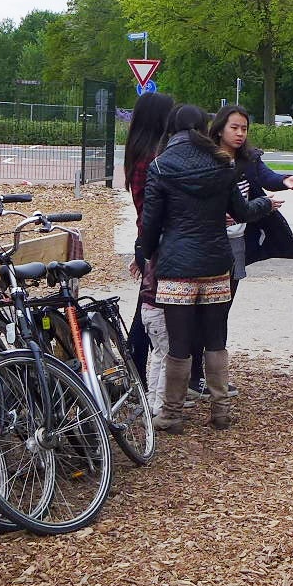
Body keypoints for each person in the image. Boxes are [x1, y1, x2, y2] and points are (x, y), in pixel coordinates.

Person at [135, 103, 271, 433]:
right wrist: (265, 203)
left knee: (179, 344)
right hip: (216, 263)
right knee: (215, 338)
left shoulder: (161, 165)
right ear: (204, 128)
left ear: (171, 129)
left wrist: (146, 253)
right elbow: (241, 212)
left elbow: (150, 223)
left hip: (176, 267)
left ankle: (172, 414)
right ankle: (221, 411)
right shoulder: (222, 163)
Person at [207, 103, 293, 290]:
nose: (240, 133)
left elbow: (266, 177)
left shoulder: (249, 159)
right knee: (209, 299)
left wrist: (285, 180)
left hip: (237, 238)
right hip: (208, 239)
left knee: (227, 296)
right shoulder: (205, 159)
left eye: (244, 129)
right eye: (234, 128)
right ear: (219, 130)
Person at [122, 90, 178, 397]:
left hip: (147, 238)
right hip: (154, 240)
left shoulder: (141, 153)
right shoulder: (151, 160)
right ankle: (137, 378)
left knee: (147, 312)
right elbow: (153, 209)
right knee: (148, 315)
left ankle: (137, 376)